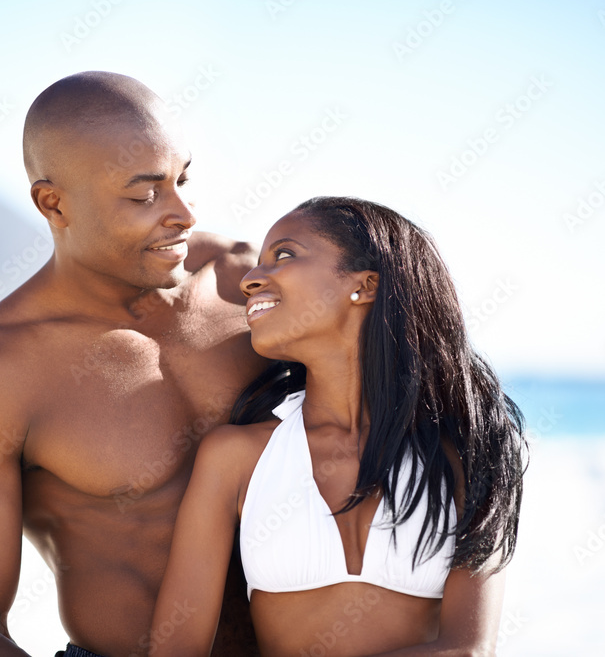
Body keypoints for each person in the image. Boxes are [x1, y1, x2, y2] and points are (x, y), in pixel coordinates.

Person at [0, 72, 267, 657]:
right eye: (144, 194)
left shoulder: (244, 283)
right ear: (53, 204)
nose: (183, 213)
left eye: (183, 179)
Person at [149, 196, 528, 656]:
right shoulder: (235, 458)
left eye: (284, 255)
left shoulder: (468, 449)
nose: (250, 279)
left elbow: (469, 650)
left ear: (364, 285)